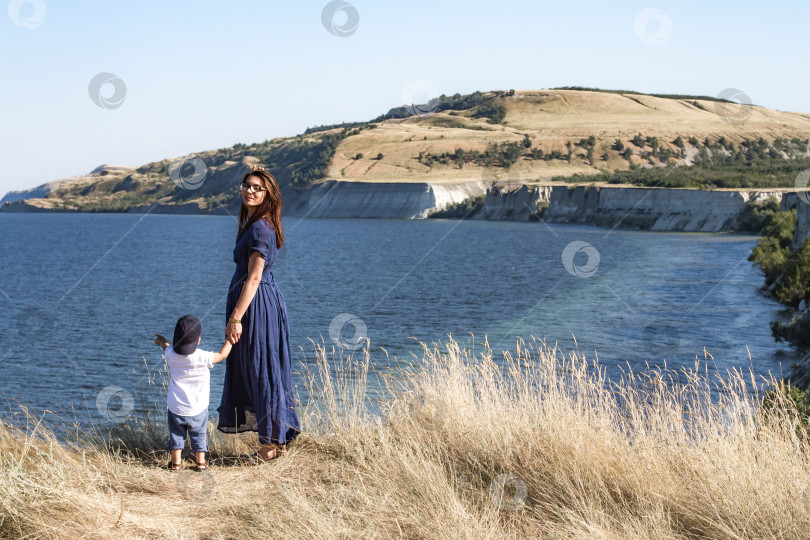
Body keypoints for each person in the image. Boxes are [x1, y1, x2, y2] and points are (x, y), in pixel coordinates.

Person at [217, 166, 301, 463]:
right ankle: (275, 442)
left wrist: (236, 317)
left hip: (256, 307)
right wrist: (260, 173)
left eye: (257, 187)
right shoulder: (257, 223)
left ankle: (269, 448)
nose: (249, 190)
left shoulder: (260, 228)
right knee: (262, 370)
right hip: (259, 303)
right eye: (246, 185)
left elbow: (254, 277)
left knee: (261, 371)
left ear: (268, 195)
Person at [154, 314, 232, 471]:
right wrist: (230, 339)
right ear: (198, 340)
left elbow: (166, 346)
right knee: (198, 434)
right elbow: (223, 355)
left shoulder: (171, 354)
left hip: (176, 406)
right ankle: (200, 463)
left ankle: (176, 463)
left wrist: (161, 340)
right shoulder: (202, 357)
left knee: (176, 435)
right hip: (198, 408)